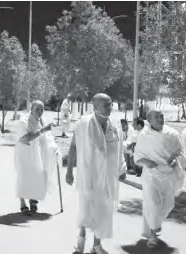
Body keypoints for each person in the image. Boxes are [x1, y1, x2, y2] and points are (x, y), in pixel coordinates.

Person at [66, 93, 127, 254]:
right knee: (86, 210)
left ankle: (96, 245)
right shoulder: (83, 124)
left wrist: (122, 168)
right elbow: (73, 147)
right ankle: (81, 239)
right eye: (106, 105)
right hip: (89, 176)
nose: (110, 107)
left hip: (108, 177)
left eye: (111, 104)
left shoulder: (115, 124)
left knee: (105, 211)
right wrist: (69, 171)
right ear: (95, 106)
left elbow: (119, 149)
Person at [134, 109, 186, 249]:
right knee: (153, 202)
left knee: (168, 204)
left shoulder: (173, 134)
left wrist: (176, 161)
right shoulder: (143, 135)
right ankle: (152, 234)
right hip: (151, 175)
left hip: (169, 176)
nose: (160, 119)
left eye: (161, 116)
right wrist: (147, 162)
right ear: (149, 120)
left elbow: (182, 154)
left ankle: (155, 224)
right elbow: (137, 156)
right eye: (156, 117)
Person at [15, 101, 61, 215]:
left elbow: (48, 138)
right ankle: (22, 202)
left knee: (38, 176)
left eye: (42, 109)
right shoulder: (23, 121)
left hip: (38, 154)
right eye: (37, 109)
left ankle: (33, 199)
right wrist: (41, 131)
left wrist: (55, 149)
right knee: (24, 177)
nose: (40, 112)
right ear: (31, 109)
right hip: (25, 154)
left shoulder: (43, 120)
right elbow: (24, 139)